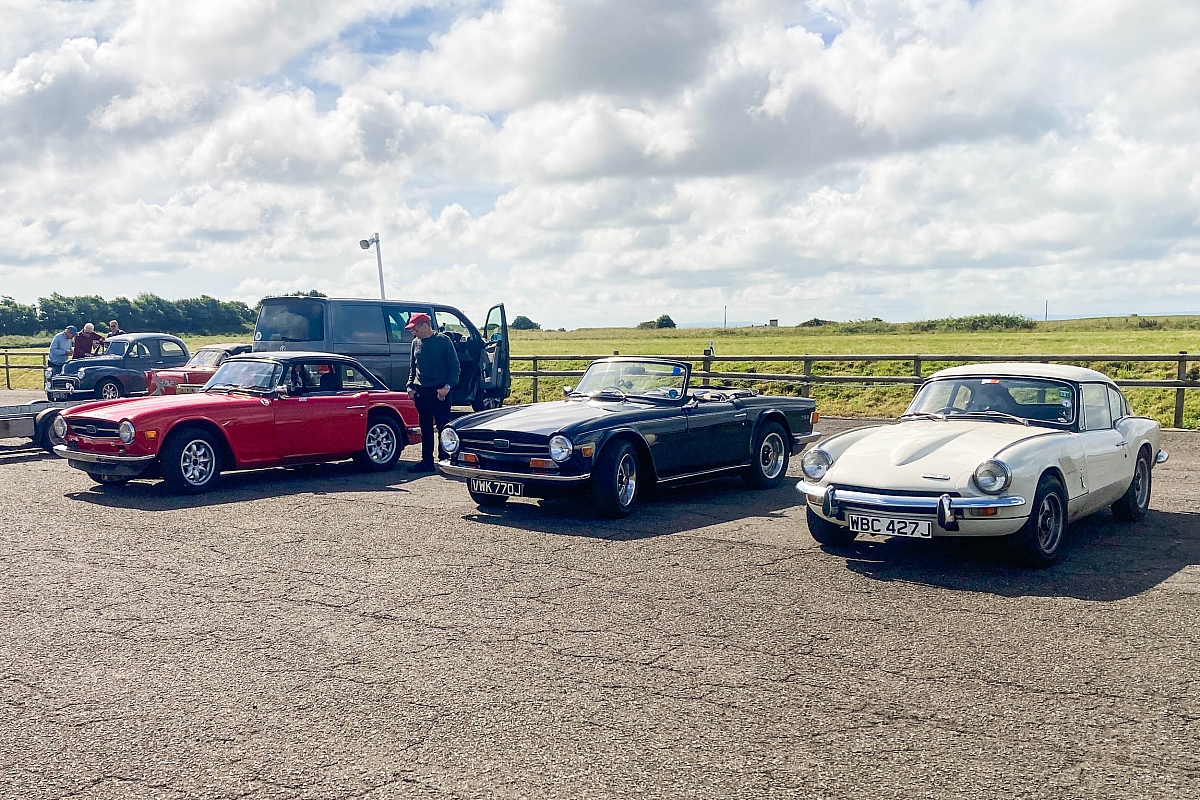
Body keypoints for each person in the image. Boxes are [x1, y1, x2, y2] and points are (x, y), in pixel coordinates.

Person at [405, 312, 460, 472]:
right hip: (421, 392)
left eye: (415, 329)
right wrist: (410, 386)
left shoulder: (443, 341)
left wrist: (447, 387)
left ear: (425, 326)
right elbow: (413, 368)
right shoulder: (415, 343)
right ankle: (427, 461)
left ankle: (445, 460)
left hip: (440, 392)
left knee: (443, 428)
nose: (413, 333)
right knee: (425, 428)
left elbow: (455, 368)